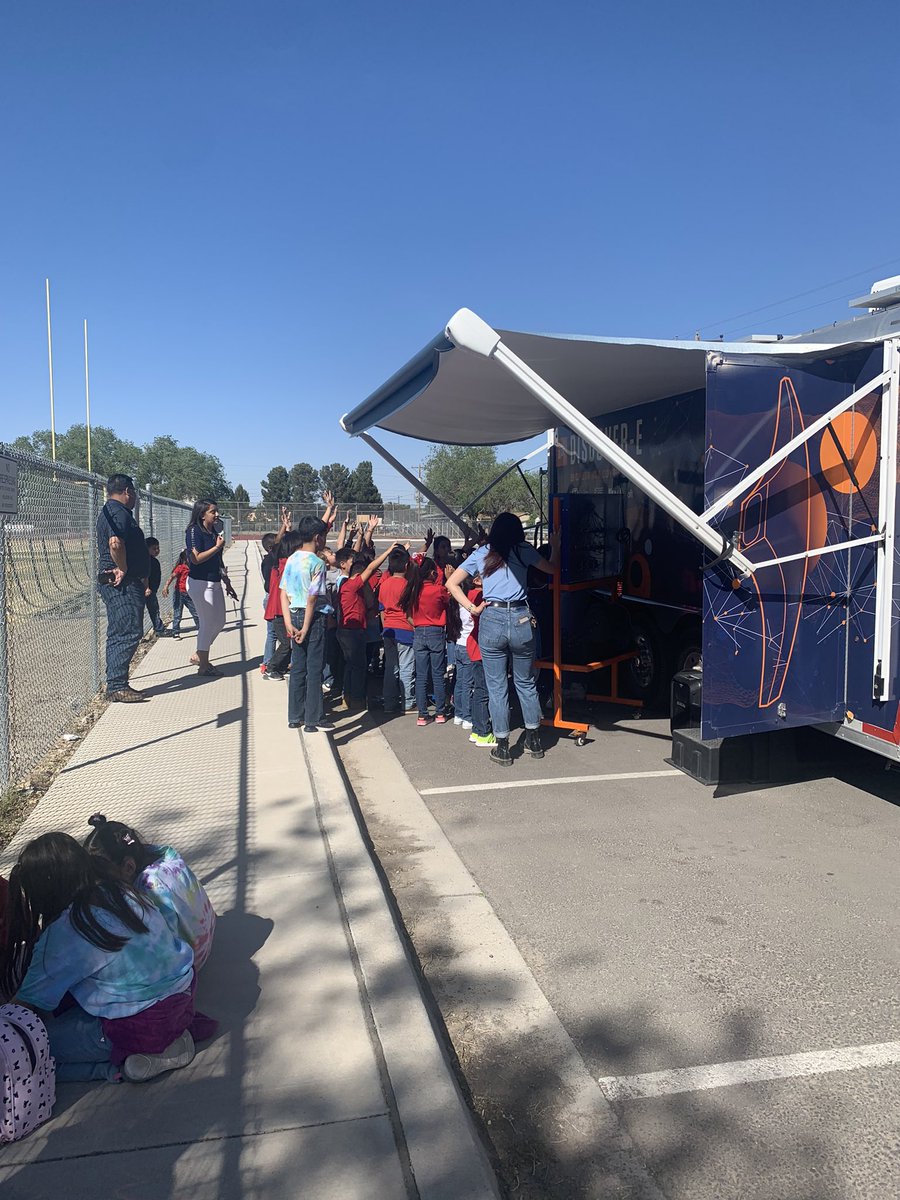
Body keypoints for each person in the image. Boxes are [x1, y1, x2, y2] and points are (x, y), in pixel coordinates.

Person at [1, 833, 215, 1083]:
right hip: (183, 997)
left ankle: (142, 1056)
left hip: (143, 1025)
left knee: (26, 1049)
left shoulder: (63, 933)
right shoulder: (117, 888)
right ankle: (143, 1049)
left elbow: (23, 1004)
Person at [448, 513, 560, 766]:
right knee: (525, 682)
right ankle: (534, 740)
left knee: (497, 686)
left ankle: (502, 746)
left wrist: (472, 608)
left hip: (492, 618)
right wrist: (556, 546)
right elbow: (552, 570)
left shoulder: (483, 553)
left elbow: (451, 583)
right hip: (521, 617)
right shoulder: (524, 550)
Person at [83, 814, 216, 969]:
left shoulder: (150, 888)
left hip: (190, 961)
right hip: (204, 938)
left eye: (105, 878)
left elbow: (163, 943)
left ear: (129, 867)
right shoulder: (164, 855)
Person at [96, 474, 151, 702]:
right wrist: (123, 568)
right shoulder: (117, 512)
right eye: (134, 492)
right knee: (127, 631)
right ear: (127, 491)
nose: (136, 497)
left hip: (123, 582)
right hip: (122, 584)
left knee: (121, 631)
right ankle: (117, 686)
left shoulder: (114, 511)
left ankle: (116, 683)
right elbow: (115, 543)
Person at [280, 517, 335, 732]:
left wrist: (288, 622)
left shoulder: (292, 558)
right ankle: (312, 720)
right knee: (314, 669)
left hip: (293, 614)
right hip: (312, 618)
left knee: (298, 667)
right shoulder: (317, 563)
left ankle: (294, 716)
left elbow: (283, 592)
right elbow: (312, 598)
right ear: (317, 537)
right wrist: (305, 626)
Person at [336, 544, 399, 712]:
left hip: (347, 630)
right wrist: (387, 551)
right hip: (352, 631)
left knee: (351, 665)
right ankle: (357, 699)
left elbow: (369, 604)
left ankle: (348, 697)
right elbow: (371, 568)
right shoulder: (352, 585)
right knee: (359, 666)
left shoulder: (347, 587)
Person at [185, 500, 238, 677]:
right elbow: (195, 559)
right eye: (212, 512)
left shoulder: (213, 531)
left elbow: (218, 560)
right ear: (202, 514)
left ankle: (200, 653)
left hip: (215, 581)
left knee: (220, 621)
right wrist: (217, 547)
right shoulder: (194, 531)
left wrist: (227, 582)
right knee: (207, 623)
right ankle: (204, 665)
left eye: (217, 511)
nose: (217, 515)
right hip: (200, 583)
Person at [401, 557, 450, 726]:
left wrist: (417, 625)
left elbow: (407, 615)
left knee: (421, 675)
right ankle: (440, 712)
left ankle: (422, 714)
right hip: (436, 631)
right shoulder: (438, 590)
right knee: (438, 674)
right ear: (431, 573)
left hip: (419, 630)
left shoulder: (413, 590)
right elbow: (448, 602)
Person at [378, 546, 416, 714]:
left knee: (390, 667)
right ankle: (408, 702)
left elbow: (381, 610)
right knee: (406, 667)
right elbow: (410, 612)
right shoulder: (407, 585)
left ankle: (389, 702)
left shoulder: (384, 584)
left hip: (388, 629)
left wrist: (385, 625)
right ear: (406, 566)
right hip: (405, 629)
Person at [162, 550, 199, 639]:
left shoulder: (194, 568)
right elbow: (172, 576)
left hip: (189, 594)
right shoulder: (181, 567)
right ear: (185, 558)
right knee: (177, 613)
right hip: (179, 593)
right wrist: (166, 586)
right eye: (189, 557)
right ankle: (176, 631)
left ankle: (201, 628)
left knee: (195, 612)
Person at [143, 537, 166, 636]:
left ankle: (159, 629)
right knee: (152, 610)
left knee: (154, 609)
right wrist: (147, 588)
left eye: (158, 548)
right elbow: (145, 575)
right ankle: (159, 629)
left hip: (152, 590)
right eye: (154, 548)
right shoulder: (146, 561)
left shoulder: (153, 561)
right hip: (146, 590)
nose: (157, 551)